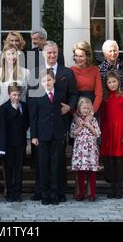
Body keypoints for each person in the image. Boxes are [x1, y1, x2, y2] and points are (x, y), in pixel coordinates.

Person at [32, 41, 77, 202]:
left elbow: (74, 94)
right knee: (41, 161)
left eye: (54, 53)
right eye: (49, 53)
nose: (52, 55)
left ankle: (59, 192)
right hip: (41, 125)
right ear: (43, 54)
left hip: (60, 122)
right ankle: (41, 191)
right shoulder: (36, 73)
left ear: (58, 53)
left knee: (58, 161)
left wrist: (69, 107)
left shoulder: (67, 73)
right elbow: (32, 102)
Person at [29, 69, 66, 205]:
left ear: (54, 81)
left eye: (49, 80)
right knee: (43, 165)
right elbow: (33, 118)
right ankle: (44, 193)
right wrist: (34, 136)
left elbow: (63, 115)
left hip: (57, 135)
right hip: (42, 136)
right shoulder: (36, 97)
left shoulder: (60, 95)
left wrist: (63, 132)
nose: (47, 82)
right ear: (41, 83)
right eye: (44, 81)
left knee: (56, 165)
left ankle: (54, 193)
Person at [100, 71, 123, 199]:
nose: (112, 84)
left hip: (120, 130)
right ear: (106, 84)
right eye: (109, 82)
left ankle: (120, 188)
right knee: (109, 160)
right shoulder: (105, 98)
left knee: (119, 161)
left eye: (114, 81)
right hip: (108, 131)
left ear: (118, 81)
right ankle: (112, 187)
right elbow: (102, 117)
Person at [1, 83, 29, 202]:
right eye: (14, 95)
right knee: (9, 168)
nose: (16, 97)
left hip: (21, 142)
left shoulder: (24, 106)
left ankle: (18, 192)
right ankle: (10, 191)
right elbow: (3, 126)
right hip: (9, 143)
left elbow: (27, 122)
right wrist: (15, 110)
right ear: (9, 94)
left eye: (18, 95)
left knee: (19, 168)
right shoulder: (4, 108)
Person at [70, 97, 101, 202]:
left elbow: (97, 133)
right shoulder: (77, 121)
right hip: (80, 152)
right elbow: (72, 134)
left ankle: (92, 194)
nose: (86, 110)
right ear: (79, 109)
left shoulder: (93, 120)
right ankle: (81, 193)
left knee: (92, 172)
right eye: (84, 108)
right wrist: (80, 127)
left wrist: (90, 126)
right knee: (81, 172)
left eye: (88, 108)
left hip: (91, 151)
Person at [71, 41, 103, 114]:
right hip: (75, 108)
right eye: (76, 56)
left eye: (81, 56)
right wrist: (74, 114)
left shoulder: (95, 70)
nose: (78, 58)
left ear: (87, 56)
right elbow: (69, 95)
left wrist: (92, 112)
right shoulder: (70, 71)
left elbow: (99, 94)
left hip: (92, 106)